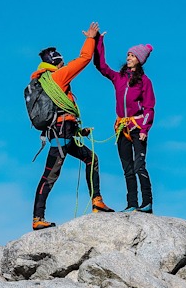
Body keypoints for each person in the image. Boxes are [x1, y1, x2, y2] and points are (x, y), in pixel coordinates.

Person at [31, 22, 113, 230]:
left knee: (90, 159)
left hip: (63, 132)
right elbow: (84, 59)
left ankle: (96, 200)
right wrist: (91, 38)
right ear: (57, 62)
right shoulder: (58, 76)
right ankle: (37, 218)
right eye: (62, 61)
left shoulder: (46, 81)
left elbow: (61, 110)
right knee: (50, 175)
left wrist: (78, 130)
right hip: (61, 134)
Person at [93, 33, 156, 213]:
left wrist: (145, 129)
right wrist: (98, 42)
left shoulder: (145, 82)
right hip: (121, 128)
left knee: (139, 166)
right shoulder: (118, 77)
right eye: (128, 55)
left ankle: (147, 203)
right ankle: (132, 204)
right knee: (127, 168)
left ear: (140, 60)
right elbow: (100, 66)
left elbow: (149, 107)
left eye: (133, 55)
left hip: (137, 128)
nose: (129, 58)